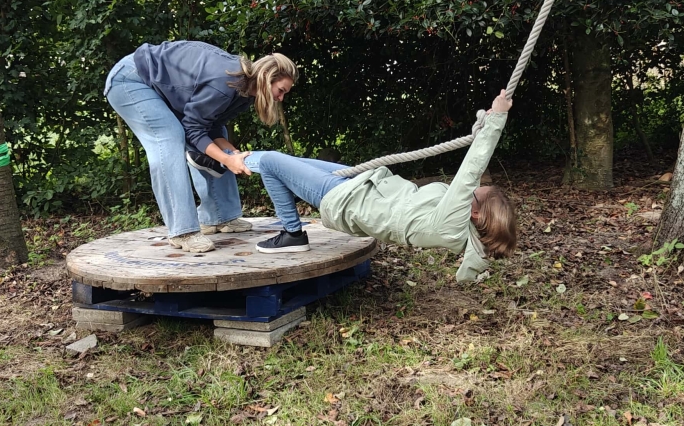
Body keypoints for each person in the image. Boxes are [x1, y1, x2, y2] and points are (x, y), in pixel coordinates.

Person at [234, 90, 516, 282]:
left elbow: (470, 172)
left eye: (474, 195)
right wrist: (487, 123)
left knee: (270, 161)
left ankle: (292, 234)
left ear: (475, 213)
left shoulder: (452, 226)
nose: (469, 191)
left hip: (347, 200)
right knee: (285, 163)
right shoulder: (460, 223)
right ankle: (223, 157)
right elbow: (471, 178)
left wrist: (497, 121)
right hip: (362, 186)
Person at [104, 42, 296, 253]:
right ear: (266, 77)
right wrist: (226, 160)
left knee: (219, 138)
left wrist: (233, 154)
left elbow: (211, 127)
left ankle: (219, 217)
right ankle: (183, 231)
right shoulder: (225, 83)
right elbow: (193, 130)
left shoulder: (245, 93)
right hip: (131, 79)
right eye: (281, 90)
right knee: (169, 137)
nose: (280, 98)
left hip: (157, 87)